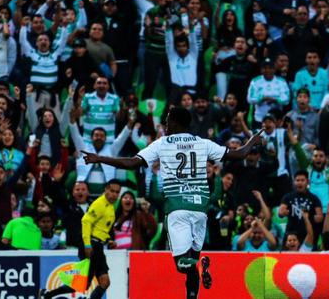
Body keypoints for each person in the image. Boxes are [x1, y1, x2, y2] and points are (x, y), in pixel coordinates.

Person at [80, 107, 263, 299]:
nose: (166, 124)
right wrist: (252, 141)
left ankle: (199, 265)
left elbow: (132, 163)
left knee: (182, 263)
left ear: (176, 123)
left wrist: (99, 158)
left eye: (168, 120)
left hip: (177, 208)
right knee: (192, 262)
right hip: (200, 209)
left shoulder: (163, 144)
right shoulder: (202, 143)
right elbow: (239, 154)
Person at [40, 180, 122, 299]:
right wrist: (87, 245)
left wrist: (108, 240)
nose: (114, 194)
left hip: (98, 246)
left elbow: (100, 228)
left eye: (117, 192)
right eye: (112, 191)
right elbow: (86, 221)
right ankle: (47, 294)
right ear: (106, 190)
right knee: (83, 284)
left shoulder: (110, 206)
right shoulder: (99, 204)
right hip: (91, 245)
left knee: (104, 282)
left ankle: (46, 294)